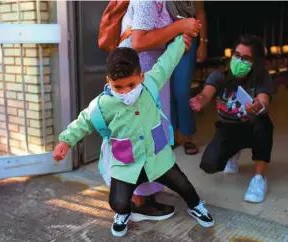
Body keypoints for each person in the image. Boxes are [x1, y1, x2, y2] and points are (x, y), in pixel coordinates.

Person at [53, 35, 214, 237]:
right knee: (117, 202)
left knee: (185, 187)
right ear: (108, 81)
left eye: (131, 84)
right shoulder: (102, 105)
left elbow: (168, 60)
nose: (125, 92)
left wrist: (182, 40)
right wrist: (65, 141)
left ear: (142, 76)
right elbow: (83, 122)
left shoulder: (151, 83)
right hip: (127, 163)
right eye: (118, 87)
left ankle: (196, 206)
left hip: (158, 157)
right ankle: (124, 213)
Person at [117, 0, 201, 220]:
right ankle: (137, 202)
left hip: (150, 76)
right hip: (139, 78)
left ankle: (143, 195)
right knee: (142, 139)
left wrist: (177, 41)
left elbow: (156, 34)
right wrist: (179, 28)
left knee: (153, 137)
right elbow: (138, 41)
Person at [189, 35, 274, 203]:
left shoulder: (262, 78)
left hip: (252, 127)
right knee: (209, 165)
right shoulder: (220, 76)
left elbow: (264, 100)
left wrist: (258, 106)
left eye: (246, 58)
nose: (239, 60)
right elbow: (207, 93)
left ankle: (259, 178)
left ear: (255, 61)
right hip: (227, 128)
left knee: (263, 123)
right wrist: (200, 99)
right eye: (236, 55)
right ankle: (233, 152)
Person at [169, 1, 208, 155]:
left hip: (186, 38)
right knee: (166, 91)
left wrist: (203, 43)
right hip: (159, 41)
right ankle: (170, 136)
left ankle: (187, 136)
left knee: (182, 91)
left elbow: (200, 13)